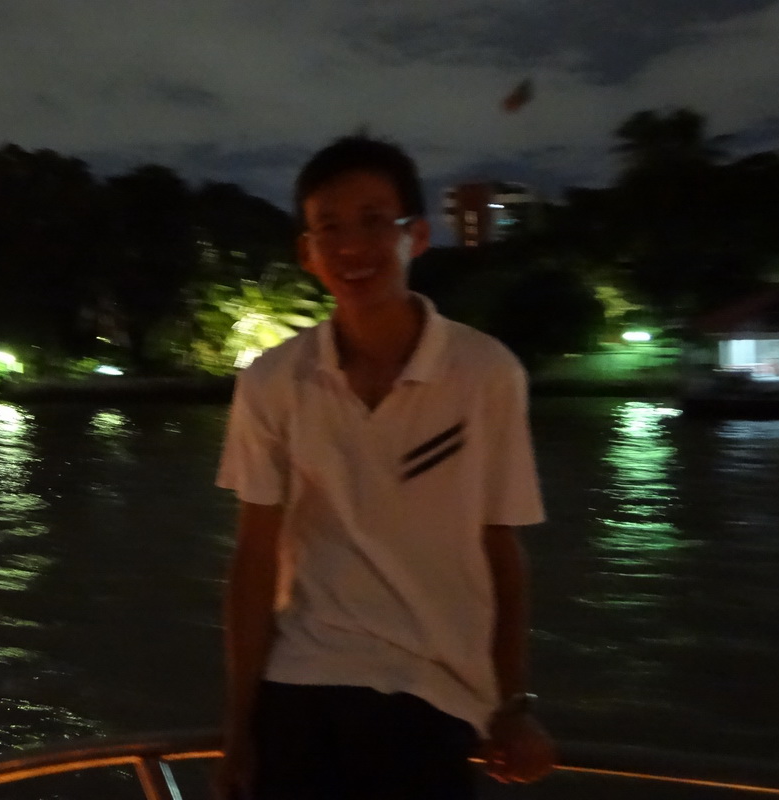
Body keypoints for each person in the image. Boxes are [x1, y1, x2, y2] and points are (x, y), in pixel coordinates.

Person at [214, 135, 556, 799]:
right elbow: (253, 558)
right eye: (329, 228)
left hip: (432, 686)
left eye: (373, 222)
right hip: (301, 680)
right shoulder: (273, 382)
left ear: (416, 236)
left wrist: (512, 703)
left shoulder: (483, 373)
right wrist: (238, 726)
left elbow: (500, 549)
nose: (351, 247)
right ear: (307, 252)